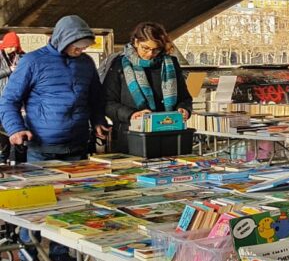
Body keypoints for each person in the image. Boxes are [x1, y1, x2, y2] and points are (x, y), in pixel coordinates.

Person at [0, 15, 108, 162]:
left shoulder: (86, 63)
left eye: (84, 45)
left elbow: (96, 97)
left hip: (78, 146)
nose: (81, 49)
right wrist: (16, 129)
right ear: (62, 40)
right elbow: (9, 100)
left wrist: (98, 120)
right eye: (77, 45)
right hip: (42, 149)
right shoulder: (32, 61)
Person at [102, 23, 193, 154]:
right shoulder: (119, 65)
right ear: (135, 42)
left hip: (168, 136)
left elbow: (185, 97)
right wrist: (131, 114)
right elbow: (107, 103)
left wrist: (185, 109)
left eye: (156, 49)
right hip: (132, 138)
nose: (150, 54)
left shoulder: (170, 63)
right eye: (145, 48)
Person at [0, 32, 26, 162]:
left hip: (18, 100)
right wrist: (9, 70)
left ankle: (20, 161)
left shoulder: (23, 56)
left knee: (18, 131)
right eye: (9, 46)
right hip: (2, 98)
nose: (12, 49)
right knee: (3, 135)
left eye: (14, 46)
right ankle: (3, 159)